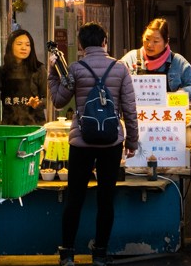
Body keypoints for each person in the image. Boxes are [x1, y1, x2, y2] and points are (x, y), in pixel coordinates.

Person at [48, 22, 139, 266]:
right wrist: (132, 140)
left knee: (74, 198)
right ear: (105, 42)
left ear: (80, 45)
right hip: (111, 143)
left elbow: (58, 101)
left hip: (82, 142)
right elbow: (130, 109)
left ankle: (67, 253)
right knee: (106, 199)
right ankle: (99, 253)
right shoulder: (120, 69)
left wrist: (51, 73)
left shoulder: (76, 69)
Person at [119, 17, 191, 101]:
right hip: (139, 112)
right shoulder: (131, 58)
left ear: (166, 42)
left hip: (167, 113)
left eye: (155, 41)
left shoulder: (177, 61)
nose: (149, 45)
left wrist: (179, 94)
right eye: (147, 39)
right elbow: (114, 79)